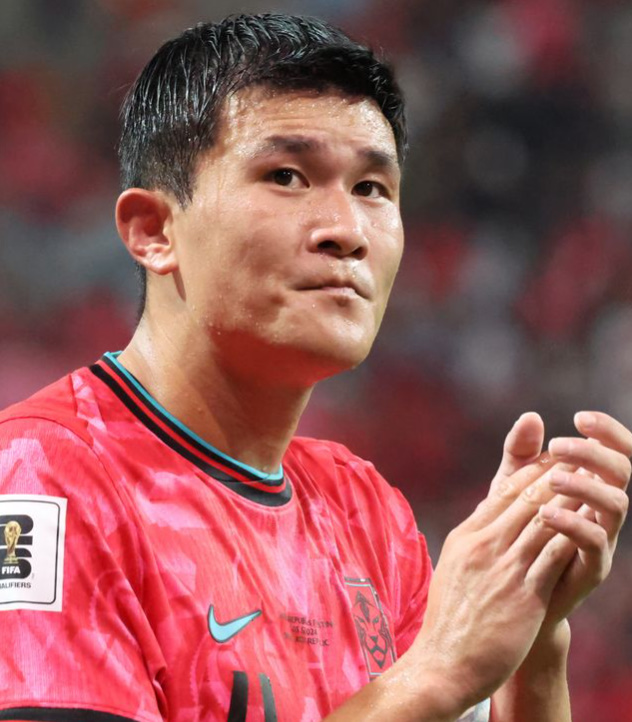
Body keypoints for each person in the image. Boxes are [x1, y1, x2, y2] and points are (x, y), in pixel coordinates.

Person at [0, 13, 630, 722]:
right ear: (154, 230)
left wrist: (535, 632)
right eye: (288, 176)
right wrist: (430, 680)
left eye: (372, 188)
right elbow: (431, 684)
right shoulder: (44, 475)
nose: (347, 231)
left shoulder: (366, 513)